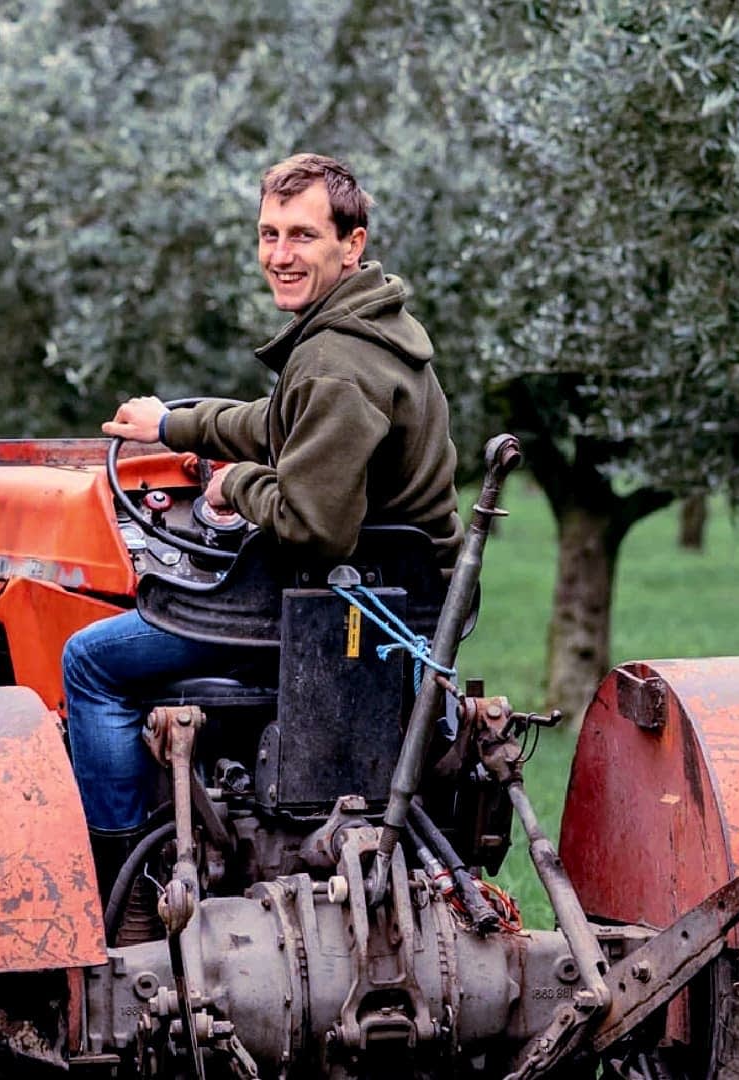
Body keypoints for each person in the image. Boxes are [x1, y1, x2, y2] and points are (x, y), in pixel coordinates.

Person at [63, 153, 462, 875]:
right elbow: (281, 422)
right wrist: (173, 426)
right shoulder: (376, 335)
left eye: (302, 236)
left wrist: (237, 485)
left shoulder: (335, 363)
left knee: (90, 662)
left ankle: (123, 885)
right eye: (268, 234)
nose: (280, 255)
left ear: (352, 244)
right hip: (399, 609)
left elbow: (314, 528)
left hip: (325, 613)